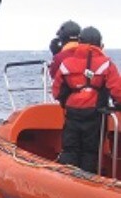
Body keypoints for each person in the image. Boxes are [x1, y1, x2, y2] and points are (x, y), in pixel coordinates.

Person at [52, 26, 121, 173]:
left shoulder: (67, 63)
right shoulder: (106, 63)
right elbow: (117, 90)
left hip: (72, 113)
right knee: (90, 151)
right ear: (100, 44)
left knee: (70, 148)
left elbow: (57, 91)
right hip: (95, 113)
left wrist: (67, 101)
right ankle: (87, 182)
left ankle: (66, 181)